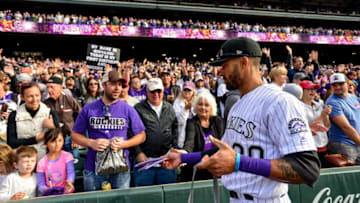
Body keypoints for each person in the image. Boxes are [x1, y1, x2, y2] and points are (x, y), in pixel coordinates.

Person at [163, 37, 320, 202]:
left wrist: (239, 163)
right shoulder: (237, 105)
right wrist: (183, 158)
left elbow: (307, 169)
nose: (221, 72)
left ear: (244, 63)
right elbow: (226, 151)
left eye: (225, 66)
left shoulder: (279, 101)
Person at [71, 70, 146, 191]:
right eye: (113, 84)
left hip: (120, 168)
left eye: (120, 85)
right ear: (104, 84)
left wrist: (124, 144)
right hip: (93, 167)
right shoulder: (89, 108)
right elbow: (74, 135)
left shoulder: (127, 109)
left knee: (120, 201)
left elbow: (142, 136)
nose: (117, 88)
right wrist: (91, 143)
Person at [133, 78, 178, 187]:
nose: (156, 94)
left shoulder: (170, 108)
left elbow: (175, 128)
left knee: (168, 196)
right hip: (145, 162)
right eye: (152, 91)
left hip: (166, 162)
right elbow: (131, 132)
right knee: (145, 195)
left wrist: (174, 146)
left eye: (159, 91)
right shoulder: (138, 109)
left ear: (163, 91)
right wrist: (138, 152)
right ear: (147, 91)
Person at [7, 83, 59, 160]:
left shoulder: (50, 113)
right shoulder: (14, 115)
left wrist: (52, 128)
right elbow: (11, 142)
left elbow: (58, 140)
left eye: (37, 95)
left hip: (45, 161)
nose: (34, 100)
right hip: (23, 161)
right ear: (22, 97)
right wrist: (36, 139)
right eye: (30, 96)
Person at [180, 92, 223, 181]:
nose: (203, 107)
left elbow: (223, 142)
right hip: (198, 169)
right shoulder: (191, 123)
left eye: (206, 105)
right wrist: (184, 153)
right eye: (200, 104)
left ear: (211, 108)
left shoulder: (217, 121)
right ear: (195, 106)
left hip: (215, 168)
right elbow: (189, 143)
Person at [325, 73, 360, 164]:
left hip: (356, 142)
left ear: (348, 84)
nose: (337, 87)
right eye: (334, 85)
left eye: (340, 84)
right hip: (344, 144)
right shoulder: (332, 102)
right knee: (349, 176)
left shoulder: (354, 98)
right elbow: (345, 127)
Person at [44, 76, 82, 159]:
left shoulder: (70, 100)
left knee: (74, 166)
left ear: (61, 88)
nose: (49, 90)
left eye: (52, 87)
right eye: (48, 88)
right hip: (54, 140)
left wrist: (76, 136)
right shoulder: (45, 104)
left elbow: (81, 118)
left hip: (70, 139)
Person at [299, 80, 332, 167]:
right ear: (301, 91)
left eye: (314, 89)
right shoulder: (297, 106)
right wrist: (322, 115)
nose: (313, 92)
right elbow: (306, 127)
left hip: (323, 144)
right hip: (309, 146)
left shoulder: (319, 104)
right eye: (309, 89)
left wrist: (326, 116)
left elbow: (327, 125)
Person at [37, 128, 75, 195]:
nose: (57, 144)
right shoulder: (41, 163)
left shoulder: (68, 156)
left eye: (60, 140)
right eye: (53, 141)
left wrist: (69, 183)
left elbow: (71, 173)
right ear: (46, 143)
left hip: (66, 193)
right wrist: (48, 190)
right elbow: (41, 184)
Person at [173, 81, 196, 148]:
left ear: (193, 91)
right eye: (185, 89)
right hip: (182, 136)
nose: (186, 91)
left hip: (194, 135)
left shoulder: (196, 101)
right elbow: (179, 121)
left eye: (189, 90)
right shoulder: (177, 102)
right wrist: (185, 109)